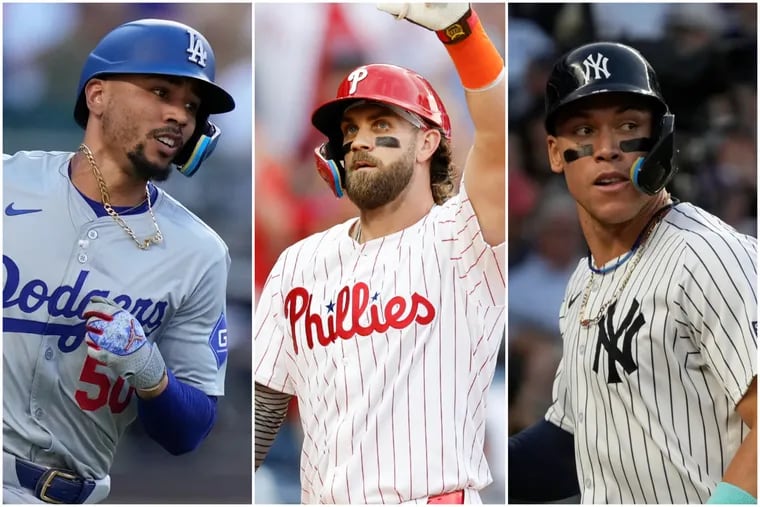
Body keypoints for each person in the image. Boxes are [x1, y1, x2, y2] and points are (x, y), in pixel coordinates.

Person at [254, 3, 505, 504]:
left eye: (380, 122)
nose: (359, 141)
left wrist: (464, 33)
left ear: (427, 141)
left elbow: (496, 135)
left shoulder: (463, 237)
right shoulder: (299, 264)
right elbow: (265, 410)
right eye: (349, 130)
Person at [508, 41, 757, 504]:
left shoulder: (706, 255)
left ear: (661, 139)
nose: (607, 150)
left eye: (628, 126)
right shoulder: (585, 279)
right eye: (584, 130)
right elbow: (568, 444)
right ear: (554, 152)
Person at [3, 18, 235, 503]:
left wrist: (151, 373)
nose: (179, 115)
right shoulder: (9, 183)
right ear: (98, 96)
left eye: (191, 105)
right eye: (160, 91)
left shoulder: (199, 252)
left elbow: (188, 432)